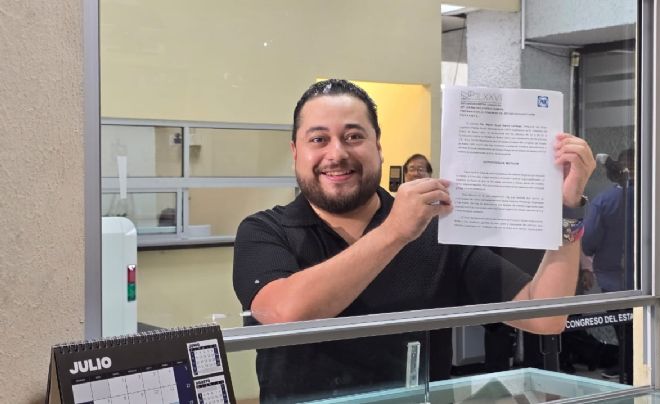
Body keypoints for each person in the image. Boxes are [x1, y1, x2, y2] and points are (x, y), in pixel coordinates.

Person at [233, 79, 596, 402]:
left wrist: (567, 209)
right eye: (318, 139)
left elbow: (545, 316)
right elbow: (285, 314)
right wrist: (394, 232)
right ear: (296, 152)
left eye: (354, 136)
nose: (337, 153)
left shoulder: (437, 233)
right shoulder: (265, 230)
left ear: (379, 147)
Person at [582, 148, 634, 382]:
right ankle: (632, 366)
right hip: (647, 275)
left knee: (623, 327)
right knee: (640, 327)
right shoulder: (653, 197)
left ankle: (627, 368)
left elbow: (589, 241)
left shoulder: (604, 202)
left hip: (613, 277)